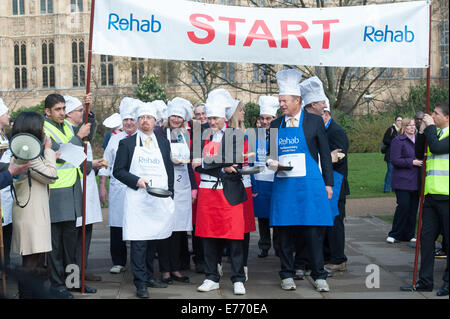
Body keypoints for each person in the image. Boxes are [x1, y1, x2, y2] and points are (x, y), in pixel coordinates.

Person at [267, 71, 334, 292]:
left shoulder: (314, 121)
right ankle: (286, 274)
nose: (282, 105)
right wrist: (272, 162)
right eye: (280, 101)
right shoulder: (276, 124)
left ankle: (319, 274)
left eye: (284, 101)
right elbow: (271, 153)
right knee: (284, 231)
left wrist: (328, 184)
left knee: (313, 230)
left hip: (310, 185)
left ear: (297, 101)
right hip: (285, 184)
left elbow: (325, 154)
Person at [113, 101, 175, 299]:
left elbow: (169, 169)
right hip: (138, 199)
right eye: (141, 118)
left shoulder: (163, 142)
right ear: (138, 122)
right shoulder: (127, 143)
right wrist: (136, 180)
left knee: (153, 240)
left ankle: (149, 277)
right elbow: (118, 171)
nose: (144, 121)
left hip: (158, 198)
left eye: (148, 117)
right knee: (139, 242)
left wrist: (170, 192)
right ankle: (140, 283)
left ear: (155, 121)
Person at [192, 88, 248, 295]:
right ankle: (211, 277)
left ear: (224, 118)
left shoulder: (236, 135)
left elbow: (234, 161)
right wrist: (220, 166)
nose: (211, 122)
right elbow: (195, 165)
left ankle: (238, 279)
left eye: (215, 118)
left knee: (234, 238)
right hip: (207, 194)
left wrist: (209, 164)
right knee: (207, 237)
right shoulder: (201, 136)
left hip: (229, 193)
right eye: (210, 118)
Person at [43, 93, 96, 298]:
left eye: (64, 109)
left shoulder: (65, 126)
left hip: (72, 189)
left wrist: (87, 109)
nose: (63, 113)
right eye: (58, 109)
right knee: (55, 246)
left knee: (71, 244)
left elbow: (87, 135)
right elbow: (61, 152)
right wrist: (79, 136)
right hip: (55, 192)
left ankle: (73, 282)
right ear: (47, 111)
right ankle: (57, 285)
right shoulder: (43, 129)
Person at [402, 102, 449, 297]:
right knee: (426, 240)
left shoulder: (441, 136)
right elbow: (419, 150)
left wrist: (428, 128)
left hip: (447, 197)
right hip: (430, 196)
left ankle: (447, 283)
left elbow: (437, 149)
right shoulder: (434, 133)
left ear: (447, 117)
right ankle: (425, 281)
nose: (432, 116)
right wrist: (422, 132)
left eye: (436, 114)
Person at [9, 112, 58, 298]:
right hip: (31, 215)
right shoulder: (28, 153)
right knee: (31, 262)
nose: (44, 131)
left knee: (37, 260)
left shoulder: (24, 150)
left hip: (33, 213)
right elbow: (51, 176)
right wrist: (49, 151)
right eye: (41, 127)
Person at [63, 95, 105, 282]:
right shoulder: (68, 132)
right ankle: (72, 275)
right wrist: (91, 164)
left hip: (87, 187)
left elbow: (91, 126)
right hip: (74, 187)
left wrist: (87, 106)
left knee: (85, 232)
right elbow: (72, 159)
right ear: (69, 114)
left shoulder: (82, 130)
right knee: (73, 236)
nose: (83, 114)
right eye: (80, 111)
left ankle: (82, 269)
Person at [155, 97, 194, 284]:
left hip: (183, 186)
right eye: (174, 116)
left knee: (179, 230)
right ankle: (164, 270)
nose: (176, 120)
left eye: (180, 117)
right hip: (166, 184)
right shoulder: (159, 134)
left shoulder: (187, 135)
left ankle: (176, 268)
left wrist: (194, 188)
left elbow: (192, 162)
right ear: (168, 116)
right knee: (165, 229)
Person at [99, 97, 138, 275]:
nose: (129, 123)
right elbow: (106, 163)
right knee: (117, 225)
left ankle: (139, 261)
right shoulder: (115, 139)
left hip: (138, 187)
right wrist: (102, 186)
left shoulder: (143, 139)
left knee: (137, 223)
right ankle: (118, 260)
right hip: (118, 188)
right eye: (126, 120)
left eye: (132, 119)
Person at [225, 94, 256, 282]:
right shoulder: (228, 134)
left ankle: (243, 264)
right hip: (232, 185)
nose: (244, 112)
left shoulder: (243, 132)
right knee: (233, 226)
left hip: (246, 183)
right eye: (241, 110)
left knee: (245, 227)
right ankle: (232, 263)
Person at [321, 100, 350, 273]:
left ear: (327, 114)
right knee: (327, 221)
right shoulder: (325, 129)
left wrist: (323, 158)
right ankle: (328, 254)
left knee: (335, 222)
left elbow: (340, 156)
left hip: (336, 182)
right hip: (328, 181)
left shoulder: (336, 131)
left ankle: (338, 258)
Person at [251, 96, 280, 259]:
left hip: (276, 180)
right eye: (262, 118)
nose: (264, 121)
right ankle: (264, 245)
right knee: (262, 216)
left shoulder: (280, 135)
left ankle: (277, 245)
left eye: (268, 118)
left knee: (276, 215)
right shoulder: (255, 135)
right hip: (261, 180)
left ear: (274, 119)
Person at [385, 117, 422, 244]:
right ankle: (395, 233)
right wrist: (411, 162)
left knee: (413, 208)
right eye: (409, 125)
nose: (412, 127)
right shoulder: (398, 140)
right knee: (403, 206)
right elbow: (395, 160)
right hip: (402, 180)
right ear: (404, 127)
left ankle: (409, 234)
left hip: (416, 180)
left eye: (413, 125)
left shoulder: (419, 140)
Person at [0, 98, 14, 270]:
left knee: (7, 233)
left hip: (8, 194)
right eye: (5, 112)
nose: (8, 115)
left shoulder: (4, 134)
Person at [382, 116, 403, 192]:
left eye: (401, 120)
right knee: (390, 170)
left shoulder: (402, 130)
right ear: (395, 121)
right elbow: (385, 140)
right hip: (390, 154)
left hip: (399, 155)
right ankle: (386, 188)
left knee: (397, 171)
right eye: (398, 120)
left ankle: (394, 188)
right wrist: (394, 142)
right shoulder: (390, 129)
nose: (399, 122)